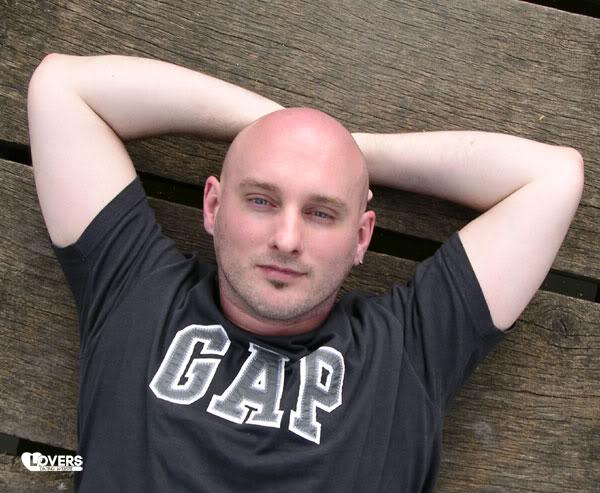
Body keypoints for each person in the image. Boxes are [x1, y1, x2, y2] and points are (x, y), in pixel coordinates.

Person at [27, 53, 584, 492]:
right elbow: (61, 88)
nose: (287, 239)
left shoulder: (408, 351)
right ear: (213, 207)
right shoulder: (136, 291)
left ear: (361, 237)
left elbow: (552, 177)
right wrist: (281, 128)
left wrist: (346, 151)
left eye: (321, 212)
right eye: (261, 200)